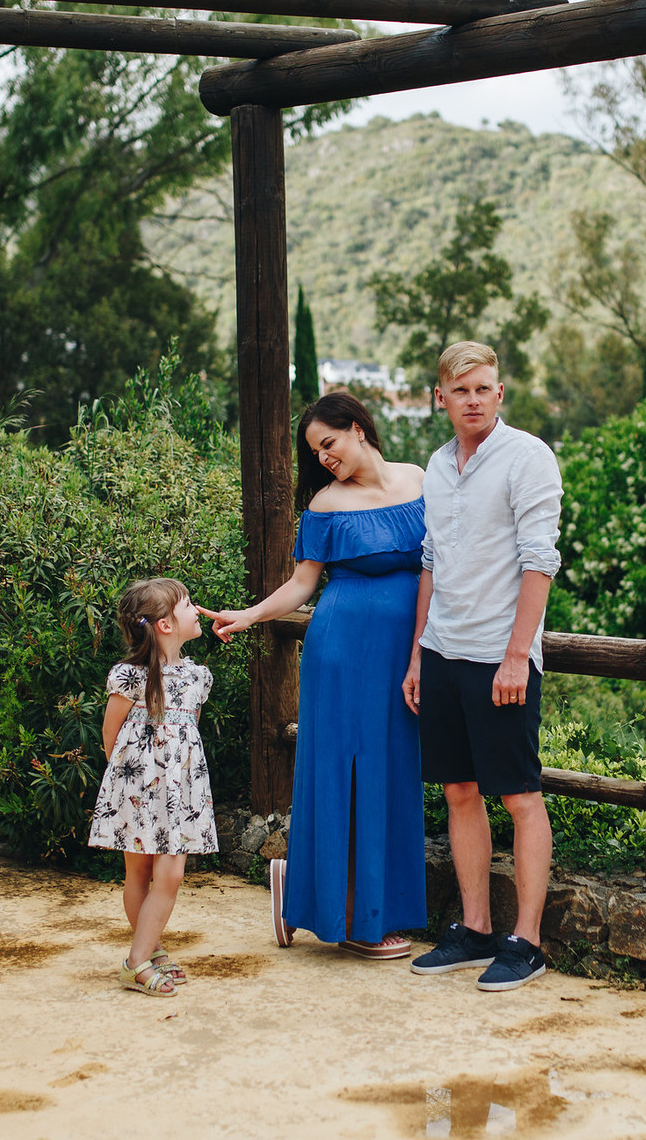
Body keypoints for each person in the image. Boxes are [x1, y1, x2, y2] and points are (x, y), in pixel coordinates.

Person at [200, 393, 428, 959]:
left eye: (328, 444)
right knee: (347, 773)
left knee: (392, 773)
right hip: (344, 654)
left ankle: (322, 890)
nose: (324, 458)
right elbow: (303, 584)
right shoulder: (326, 504)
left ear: (357, 429)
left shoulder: (421, 479)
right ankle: (353, 919)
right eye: (316, 452)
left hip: (405, 654)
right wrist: (249, 614)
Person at [403, 341, 562, 992]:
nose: (473, 399)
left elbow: (539, 559)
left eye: (484, 388)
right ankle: (473, 930)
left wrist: (517, 655)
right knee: (458, 791)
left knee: (520, 796)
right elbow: (431, 563)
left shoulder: (528, 457)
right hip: (443, 653)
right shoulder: (436, 468)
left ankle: (527, 941)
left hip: (502, 658)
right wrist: (417, 653)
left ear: (500, 394)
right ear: (439, 397)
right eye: (460, 390)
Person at [88, 577, 216, 997]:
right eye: (188, 604)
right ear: (164, 625)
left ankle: (141, 953)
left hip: (177, 793)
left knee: (171, 874)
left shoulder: (198, 677)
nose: (196, 609)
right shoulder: (129, 676)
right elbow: (111, 736)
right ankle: (142, 958)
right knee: (139, 871)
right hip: (136, 789)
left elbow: (187, 738)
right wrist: (124, 790)